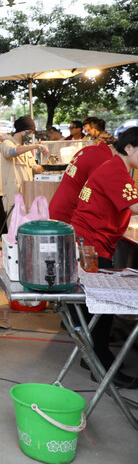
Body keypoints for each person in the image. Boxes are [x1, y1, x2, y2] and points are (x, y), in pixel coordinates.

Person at [69, 127, 138, 388]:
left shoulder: (115, 167)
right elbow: (134, 206)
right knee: (101, 306)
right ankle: (102, 364)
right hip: (92, 244)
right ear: (129, 147)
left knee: (95, 306)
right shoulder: (114, 170)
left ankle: (93, 358)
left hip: (93, 241)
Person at [49, 141, 115, 223]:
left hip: (59, 210)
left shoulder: (91, 149)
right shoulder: (103, 160)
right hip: (68, 218)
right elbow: (98, 196)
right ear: (129, 148)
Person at [0, 116, 47, 217]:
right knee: (15, 228)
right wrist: (35, 146)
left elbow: (35, 168)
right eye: (30, 131)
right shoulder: (6, 143)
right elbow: (12, 152)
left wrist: (49, 166)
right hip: (13, 197)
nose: (31, 135)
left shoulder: (26, 149)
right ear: (21, 131)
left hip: (27, 195)